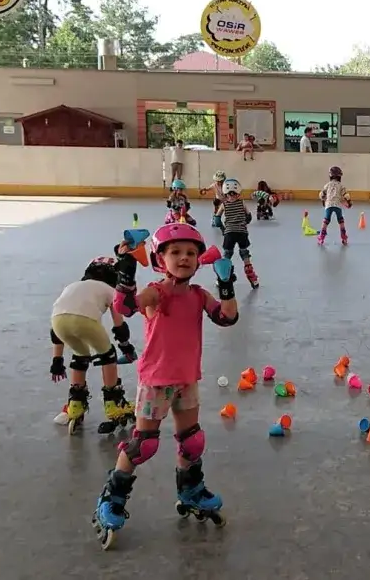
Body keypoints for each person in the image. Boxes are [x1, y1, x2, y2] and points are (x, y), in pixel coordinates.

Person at [92, 224, 239, 549]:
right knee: (143, 445)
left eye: (190, 253)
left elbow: (227, 318)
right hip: (156, 382)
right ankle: (110, 499)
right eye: (175, 252)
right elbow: (126, 308)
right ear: (160, 259)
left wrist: (226, 283)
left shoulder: (199, 295)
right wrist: (126, 277)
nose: (184, 258)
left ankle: (190, 490)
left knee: (193, 442)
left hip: (187, 379)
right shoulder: (157, 292)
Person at [49, 257, 137, 435]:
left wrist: (57, 359)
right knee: (108, 355)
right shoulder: (110, 290)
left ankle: (75, 405)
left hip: (58, 322)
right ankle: (113, 404)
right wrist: (126, 346)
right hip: (85, 321)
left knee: (80, 356)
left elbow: (55, 331)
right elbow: (119, 325)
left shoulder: (72, 286)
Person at [219, 178, 260, 288]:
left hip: (229, 233)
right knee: (244, 253)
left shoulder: (224, 205)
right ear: (238, 193)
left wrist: (224, 229)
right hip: (242, 233)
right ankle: (253, 278)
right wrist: (244, 223)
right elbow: (249, 216)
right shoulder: (242, 203)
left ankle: (223, 277)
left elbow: (216, 219)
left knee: (227, 254)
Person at [317, 166, 352, 246]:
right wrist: (349, 202)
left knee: (326, 220)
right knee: (340, 220)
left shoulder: (327, 185)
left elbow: (321, 194)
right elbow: (346, 195)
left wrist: (323, 200)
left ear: (330, 176)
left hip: (328, 205)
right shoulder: (341, 186)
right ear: (339, 176)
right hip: (337, 205)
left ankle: (321, 237)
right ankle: (344, 237)